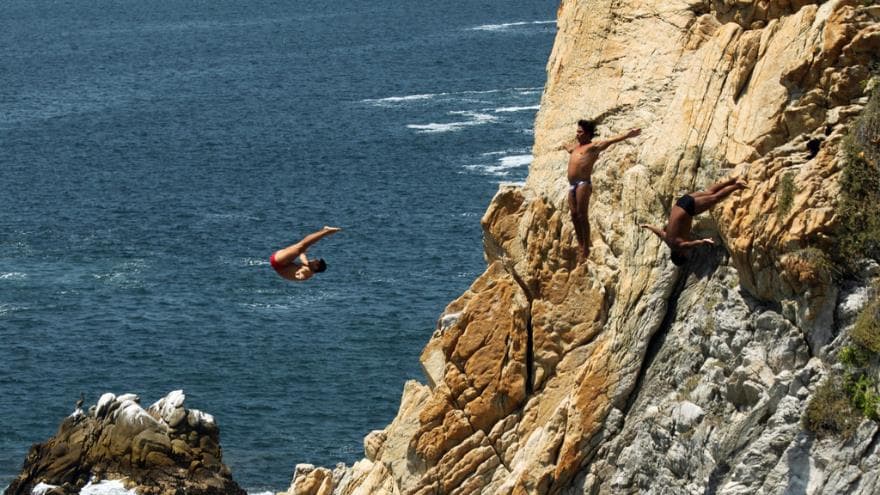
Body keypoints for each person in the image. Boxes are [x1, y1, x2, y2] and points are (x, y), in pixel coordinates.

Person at [565, 119, 641, 262]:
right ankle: (580, 244)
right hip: (572, 185)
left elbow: (611, 140)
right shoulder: (575, 149)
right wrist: (563, 145)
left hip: (583, 184)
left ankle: (585, 247)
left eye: (580, 132)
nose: (577, 134)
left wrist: (628, 135)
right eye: (577, 131)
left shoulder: (593, 147)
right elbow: (569, 149)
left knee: (582, 215)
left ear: (587, 134)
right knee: (574, 215)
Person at [640, 177, 747, 266]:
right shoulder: (668, 241)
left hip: (688, 209)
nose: (688, 253)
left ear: (680, 255)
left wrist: (703, 241)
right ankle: (733, 180)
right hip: (680, 203)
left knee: (715, 198)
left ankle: (737, 186)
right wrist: (647, 225)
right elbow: (659, 232)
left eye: (686, 254)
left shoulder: (679, 247)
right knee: (709, 192)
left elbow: (690, 244)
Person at [270, 226, 341, 281]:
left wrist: (300, 275)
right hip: (281, 262)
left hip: (279, 262)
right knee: (302, 247)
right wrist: (303, 252)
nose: (315, 259)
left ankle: (326, 231)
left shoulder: (308, 271)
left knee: (302, 246)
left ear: (316, 267)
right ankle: (324, 231)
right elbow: (302, 256)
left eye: (317, 262)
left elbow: (301, 274)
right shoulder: (307, 266)